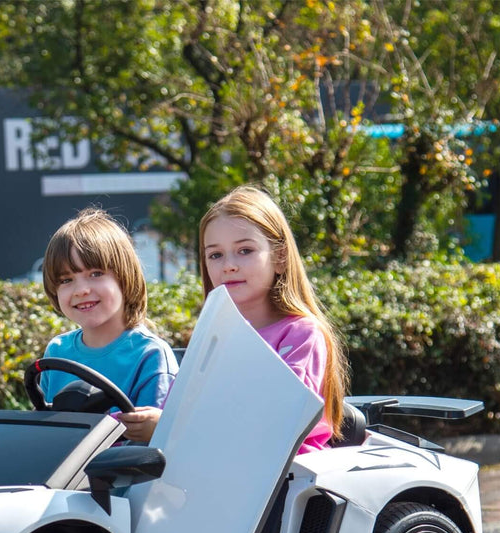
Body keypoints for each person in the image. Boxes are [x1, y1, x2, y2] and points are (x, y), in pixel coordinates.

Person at [119, 185, 348, 451]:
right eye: (215, 255)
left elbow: (279, 422)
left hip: (288, 474)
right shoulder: (209, 339)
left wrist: (170, 428)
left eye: (245, 250)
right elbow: (177, 411)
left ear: (280, 257)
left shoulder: (302, 334)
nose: (229, 265)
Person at [39, 208, 178, 441]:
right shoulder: (56, 352)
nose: (81, 290)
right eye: (66, 280)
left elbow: (156, 446)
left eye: (95, 274)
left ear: (125, 277)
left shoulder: (150, 355)